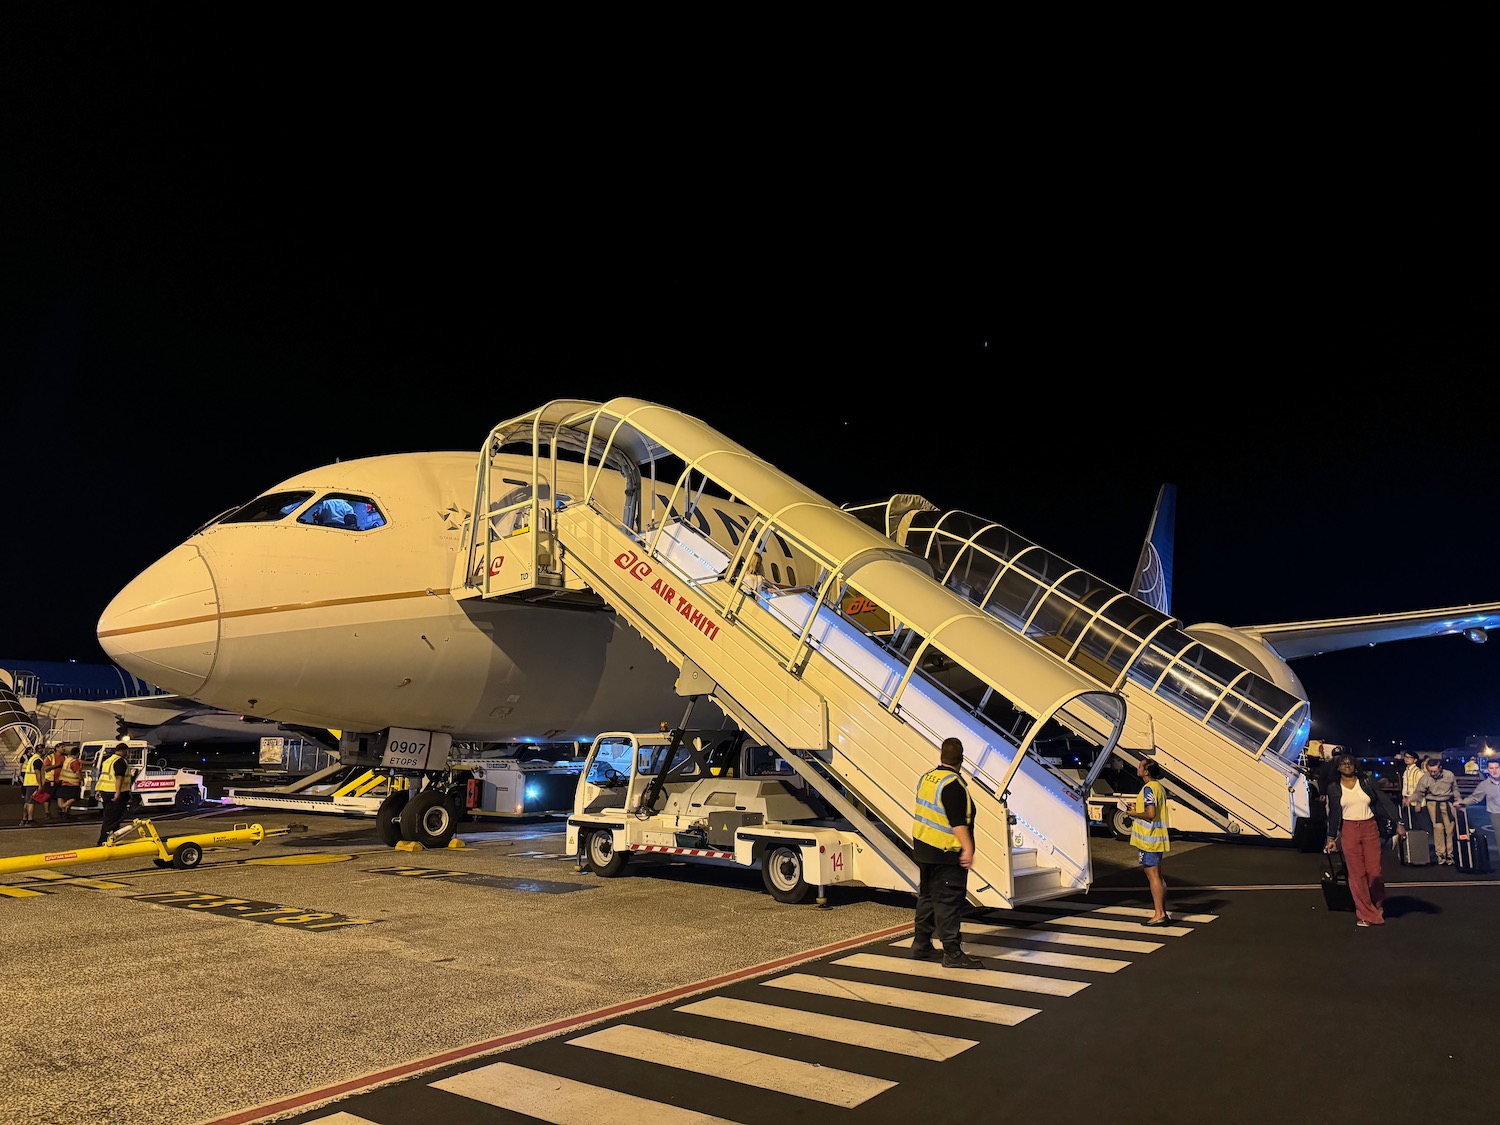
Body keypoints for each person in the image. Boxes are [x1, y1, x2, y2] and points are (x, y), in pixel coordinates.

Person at [910, 737, 985, 970]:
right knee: (948, 902)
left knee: (927, 899)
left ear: (941, 756)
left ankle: (921, 944)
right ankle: (952, 953)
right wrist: (968, 848)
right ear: (961, 760)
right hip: (945, 853)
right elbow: (956, 821)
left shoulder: (928, 778)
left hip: (924, 849)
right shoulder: (954, 785)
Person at [1325, 754, 1405, 927]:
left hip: (1370, 828)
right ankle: (1365, 914)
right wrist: (1331, 838)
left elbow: (1384, 802)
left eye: (1350, 763)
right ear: (1338, 768)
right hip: (1349, 830)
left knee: (1374, 872)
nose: (1347, 766)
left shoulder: (1366, 782)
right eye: (1343, 764)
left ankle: (1376, 905)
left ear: (1355, 766)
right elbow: (1333, 814)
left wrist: (1399, 822)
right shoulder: (1334, 788)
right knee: (1357, 874)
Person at [1130, 758, 1171, 925]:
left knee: (1153, 876)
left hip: (1149, 840)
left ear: (1146, 771)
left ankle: (1159, 914)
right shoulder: (1158, 787)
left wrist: (1133, 814)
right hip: (1156, 838)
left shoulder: (1148, 789)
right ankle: (1161, 912)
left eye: (1140, 766)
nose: (1138, 767)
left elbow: (1151, 813)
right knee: (1157, 876)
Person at [1410, 756, 1462, 864]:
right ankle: (1441, 854)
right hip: (1433, 803)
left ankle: (1450, 854)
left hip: (1447, 802)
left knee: (1449, 829)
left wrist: (1458, 800)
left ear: (1440, 768)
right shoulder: (1426, 778)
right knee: (1438, 828)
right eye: (1430, 771)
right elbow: (1419, 792)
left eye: (1434, 771)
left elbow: (1455, 789)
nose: (1433, 774)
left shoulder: (1449, 775)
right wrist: (1415, 802)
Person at [95, 742, 136, 846]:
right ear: (124, 751)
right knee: (113, 818)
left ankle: (111, 838)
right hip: (116, 793)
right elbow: (119, 778)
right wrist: (117, 793)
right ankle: (104, 840)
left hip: (105, 792)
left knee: (110, 817)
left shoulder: (107, 760)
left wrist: (98, 790)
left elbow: (103, 776)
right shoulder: (120, 761)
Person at [1457, 758, 1500, 853]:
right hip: (1496, 815)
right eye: (1491, 768)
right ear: (1488, 770)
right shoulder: (1484, 785)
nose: (1494, 770)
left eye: (1496, 767)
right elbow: (1475, 797)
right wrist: (1462, 803)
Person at [53, 744, 85, 817]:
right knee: (74, 797)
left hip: (64, 781)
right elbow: (77, 772)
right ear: (78, 753)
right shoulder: (74, 762)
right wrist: (82, 780)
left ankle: (65, 811)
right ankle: (63, 806)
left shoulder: (67, 760)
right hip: (73, 783)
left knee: (61, 796)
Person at [18, 746, 45, 826]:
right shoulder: (38, 760)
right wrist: (40, 784)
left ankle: (24, 819)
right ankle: (30, 820)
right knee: (31, 802)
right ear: (42, 750)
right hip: (33, 782)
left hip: (28, 782)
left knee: (27, 802)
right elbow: (37, 772)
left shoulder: (32, 758)